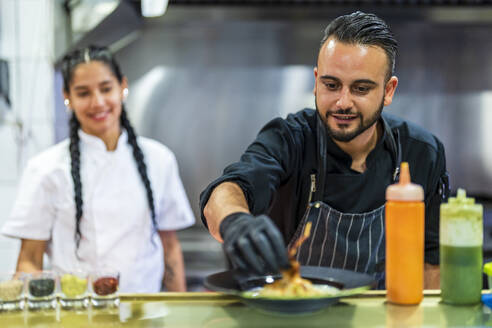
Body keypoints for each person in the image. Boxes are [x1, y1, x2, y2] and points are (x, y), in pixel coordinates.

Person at [200, 11, 449, 289]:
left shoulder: (420, 152)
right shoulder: (290, 139)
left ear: (388, 91)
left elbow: (431, 261)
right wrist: (235, 222)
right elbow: (227, 190)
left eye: (361, 88)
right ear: (316, 81)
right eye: (331, 85)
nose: (343, 102)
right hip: (288, 310)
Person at [1, 45, 195, 292]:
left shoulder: (160, 159)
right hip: (76, 313)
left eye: (106, 89)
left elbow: (170, 248)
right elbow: (29, 258)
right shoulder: (45, 168)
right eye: (83, 93)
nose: (98, 102)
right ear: (67, 97)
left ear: (122, 86)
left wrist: (179, 312)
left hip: (145, 311)